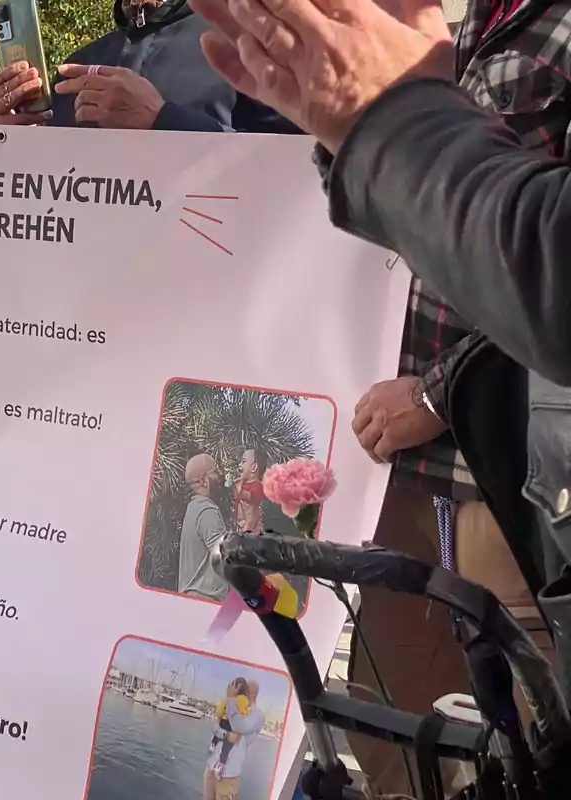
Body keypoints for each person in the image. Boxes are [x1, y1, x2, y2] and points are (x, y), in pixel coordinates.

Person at [187, 0, 571, 718]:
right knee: (395, 737)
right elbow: (422, 216)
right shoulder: (477, 20)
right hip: (387, 466)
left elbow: (548, 263)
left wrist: (435, 392)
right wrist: (346, 119)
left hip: (507, 481)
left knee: (523, 732)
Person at [0, 0, 297, 133]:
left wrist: (162, 120)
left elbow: (296, 175)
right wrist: (6, 141)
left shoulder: (248, 44)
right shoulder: (78, 64)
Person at [178, 453, 229, 601]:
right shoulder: (207, 512)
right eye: (215, 470)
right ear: (203, 481)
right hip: (205, 600)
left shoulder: (193, 508)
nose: (221, 474)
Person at [205, 678, 266, 800]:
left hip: (228, 775)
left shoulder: (257, 715)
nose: (238, 691)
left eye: (241, 689)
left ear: (250, 693)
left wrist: (232, 699)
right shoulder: (233, 704)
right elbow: (214, 724)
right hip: (211, 767)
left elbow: (238, 726)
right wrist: (225, 735)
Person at [210, 676, 250, 776]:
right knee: (226, 748)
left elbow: (221, 711)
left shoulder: (232, 699)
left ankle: (213, 744)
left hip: (226, 722)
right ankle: (220, 765)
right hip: (232, 726)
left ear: (238, 686)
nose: (230, 686)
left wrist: (229, 697)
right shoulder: (244, 701)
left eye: (232, 684)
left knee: (222, 740)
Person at [232, 447, 265, 533]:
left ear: (254, 467)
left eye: (243, 462)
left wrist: (239, 485)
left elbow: (250, 496)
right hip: (241, 527)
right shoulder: (245, 485)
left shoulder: (257, 485)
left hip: (252, 530)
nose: (239, 465)